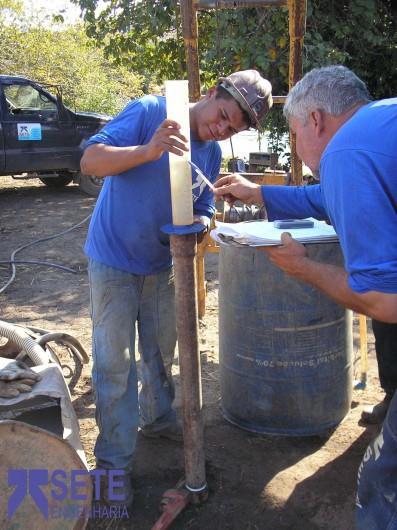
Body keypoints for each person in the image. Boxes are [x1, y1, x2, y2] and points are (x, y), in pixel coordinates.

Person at [213, 65, 397, 529]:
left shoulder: (348, 152)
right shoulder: (381, 124)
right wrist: (259, 194)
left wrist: (304, 268)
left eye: (294, 133)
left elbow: (384, 300)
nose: (298, 148)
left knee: (384, 480)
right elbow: (322, 201)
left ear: (314, 120)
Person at [80, 69, 273, 505]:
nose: (221, 128)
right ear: (211, 92)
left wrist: (201, 223)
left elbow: (203, 205)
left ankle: (157, 417)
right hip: (113, 259)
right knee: (114, 365)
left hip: (162, 263)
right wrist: (148, 151)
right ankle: (113, 466)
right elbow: (90, 161)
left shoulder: (210, 153)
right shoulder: (151, 112)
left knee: (160, 351)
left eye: (232, 128)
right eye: (223, 115)